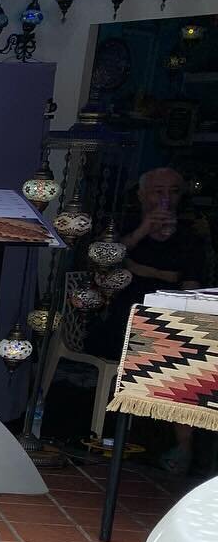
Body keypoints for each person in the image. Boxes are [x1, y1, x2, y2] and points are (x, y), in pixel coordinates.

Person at [86, 166, 211, 471]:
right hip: (118, 320)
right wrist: (143, 232)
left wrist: (145, 272)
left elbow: (191, 286)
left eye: (173, 192)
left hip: (168, 321)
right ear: (142, 195)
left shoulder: (188, 237)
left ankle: (184, 446)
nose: (165, 199)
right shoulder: (122, 227)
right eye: (158, 191)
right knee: (170, 347)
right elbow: (102, 261)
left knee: (189, 348)